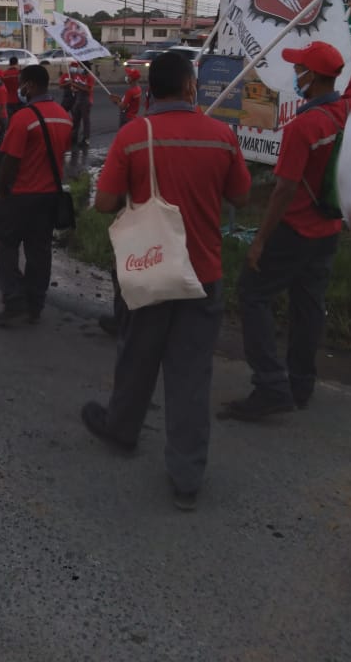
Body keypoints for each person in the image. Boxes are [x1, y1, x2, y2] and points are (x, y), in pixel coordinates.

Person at [81, 51, 251, 510]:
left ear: (150, 90)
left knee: (136, 357)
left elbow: (104, 203)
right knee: (191, 375)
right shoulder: (222, 136)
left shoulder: (134, 136)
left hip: (148, 270)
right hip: (204, 274)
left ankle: (121, 430)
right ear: (191, 87)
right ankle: (186, 478)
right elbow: (240, 196)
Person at [221, 6, 351, 421]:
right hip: (329, 229)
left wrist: (260, 240)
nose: (296, 74)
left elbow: (284, 190)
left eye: (300, 69)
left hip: (295, 230)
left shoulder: (303, 127)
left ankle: (270, 385)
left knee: (253, 293)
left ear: (314, 77)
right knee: (308, 306)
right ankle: (301, 385)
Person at [0, 64, 72, 326]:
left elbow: (10, 161)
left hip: (22, 195)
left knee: (4, 241)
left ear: (31, 85)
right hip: (49, 196)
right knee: (39, 251)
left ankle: (15, 301)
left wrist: (1, 190)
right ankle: (35, 304)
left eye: (22, 84)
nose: (20, 89)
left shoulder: (24, 117)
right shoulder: (64, 116)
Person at [69, 61, 93, 148]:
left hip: (86, 100)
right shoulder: (78, 75)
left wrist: (75, 85)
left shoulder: (90, 77)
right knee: (75, 119)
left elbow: (88, 90)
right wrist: (73, 87)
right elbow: (76, 86)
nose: (78, 68)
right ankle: (74, 137)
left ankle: (86, 139)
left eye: (80, 67)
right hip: (78, 99)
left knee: (85, 120)